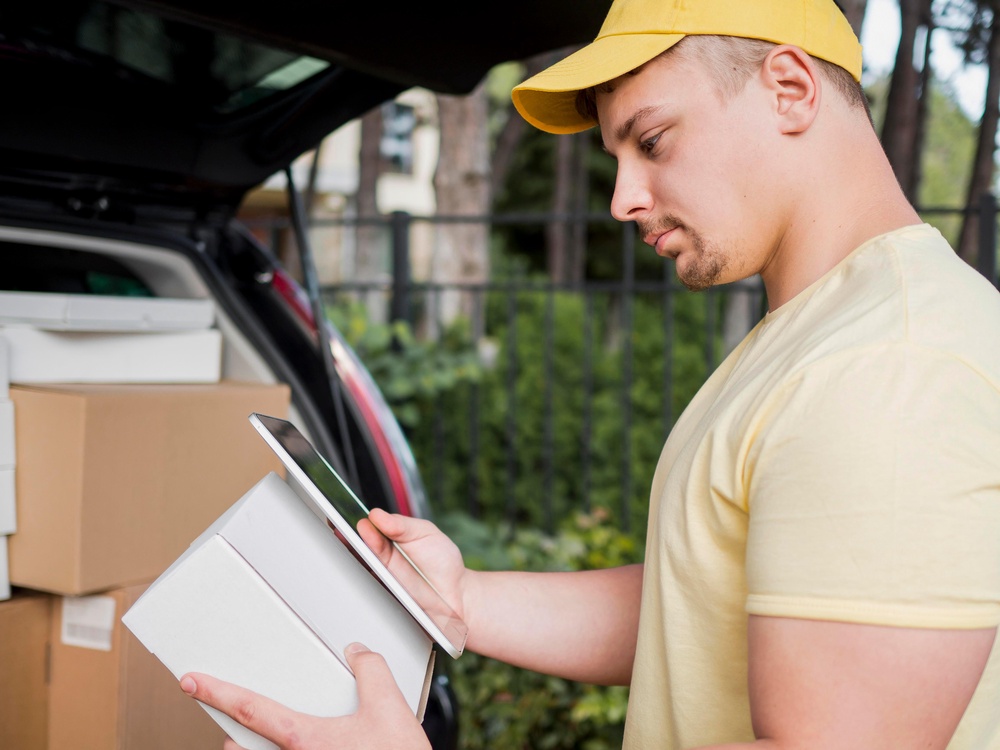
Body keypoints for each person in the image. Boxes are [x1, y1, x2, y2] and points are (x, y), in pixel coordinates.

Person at [179, 0, 1000, 746]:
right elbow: (700, 604)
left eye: (652, 141)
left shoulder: (890, 365)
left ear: (789, 88)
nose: (623, 198)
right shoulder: (830, 333)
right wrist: (461, 598)